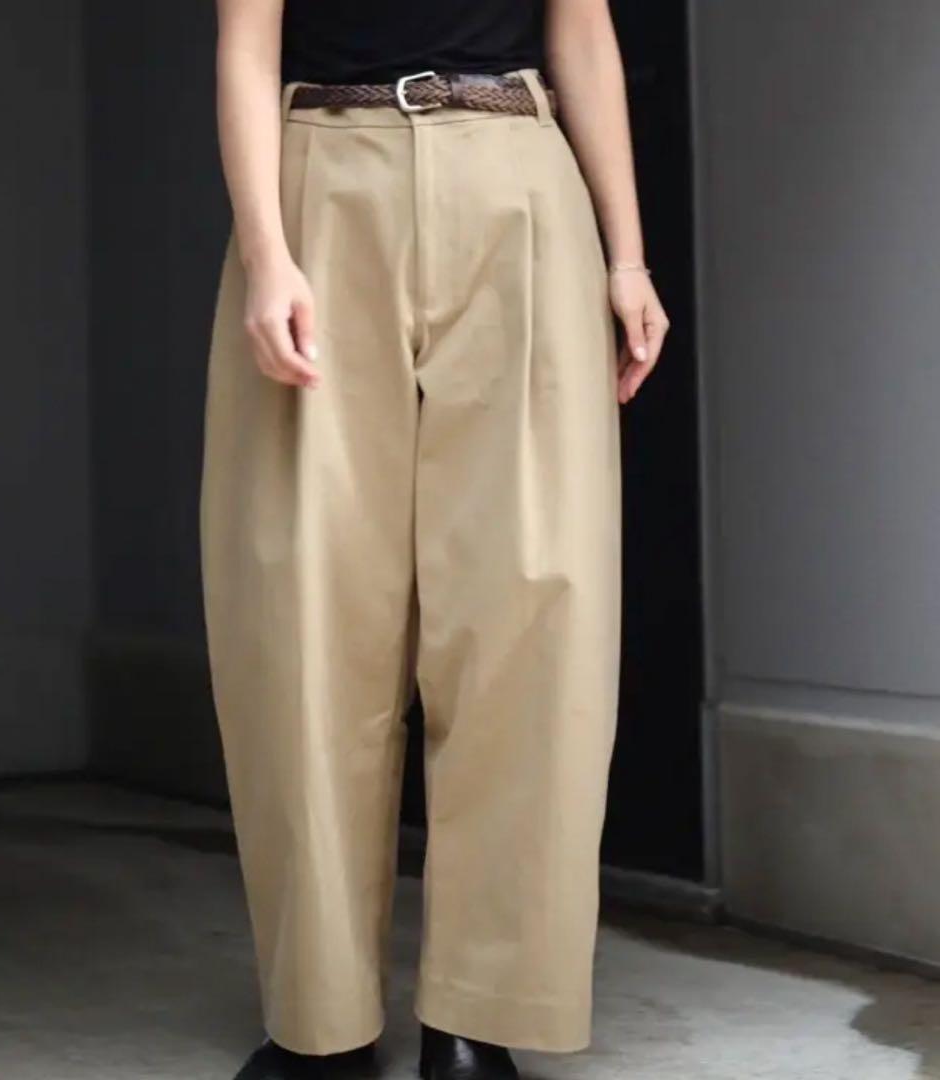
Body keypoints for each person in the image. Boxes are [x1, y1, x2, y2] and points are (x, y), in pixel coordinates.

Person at [201, 1, 669, 1077]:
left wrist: (628, 257)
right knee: (307, 606)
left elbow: (582, 33)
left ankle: (479, 1015)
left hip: (518, 172)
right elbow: (246, 44)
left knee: (532, 609)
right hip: (324, 177)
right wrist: (266, 253)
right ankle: (319, 1022)